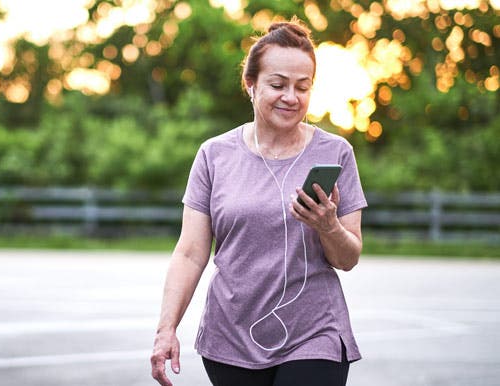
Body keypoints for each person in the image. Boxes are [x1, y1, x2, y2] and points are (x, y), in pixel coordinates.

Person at [150, 17, 367, 386]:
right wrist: (166, 329)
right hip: (231, 336)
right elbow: (189, 253)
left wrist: (327, 225)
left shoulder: (335, 153)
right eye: (278, 85)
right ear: (250, 85)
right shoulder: (214, 155)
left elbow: (348, 259)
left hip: (314, 334)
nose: (291, 97)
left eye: (303, 87)